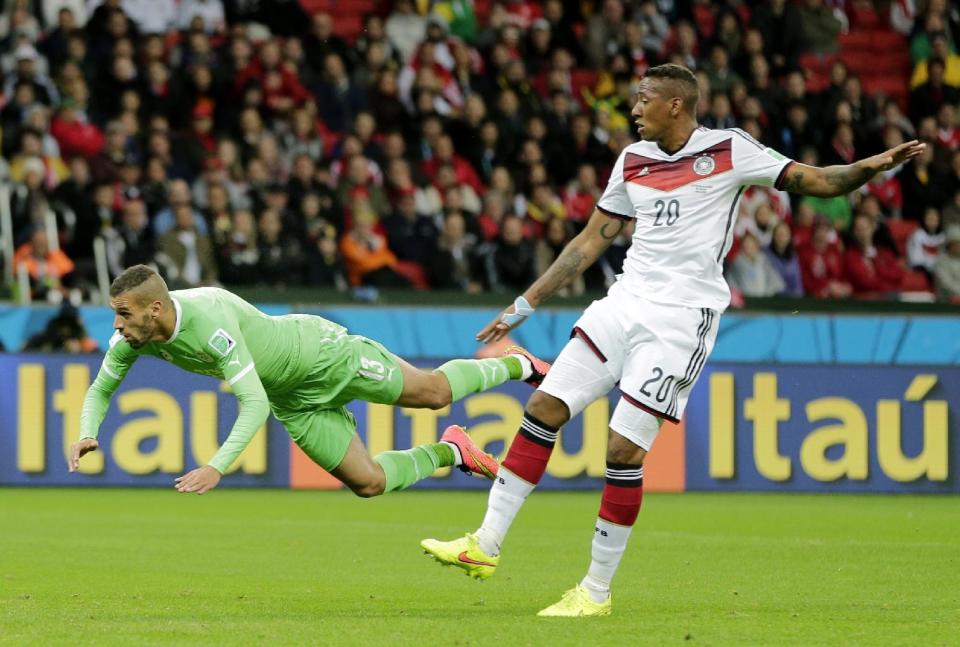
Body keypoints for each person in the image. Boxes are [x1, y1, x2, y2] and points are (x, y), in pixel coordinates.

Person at [420, 63, 925, 617]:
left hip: (681, 320)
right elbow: (590, 242)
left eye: (643, 100)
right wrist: (525, 304)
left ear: (676, 105)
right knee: (543, 406)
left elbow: (818, 180)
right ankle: (484, 545)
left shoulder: (730, 150)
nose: (634, 110)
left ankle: (594, 592)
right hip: (623, 303)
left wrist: (868, 168)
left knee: (622, 449)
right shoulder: (632, 161)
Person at [69, 265, 550, 497]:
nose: (116, 325)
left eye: (123, 314)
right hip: (294, 400)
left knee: (434, 393)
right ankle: (451, 452)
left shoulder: (210, 322)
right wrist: (88, 431)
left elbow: (251, 405)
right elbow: (101, 389)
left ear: (155, 308)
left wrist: (216, 465)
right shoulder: (134, 338)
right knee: (368, 483)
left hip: (324, 357)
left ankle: (516, 363)